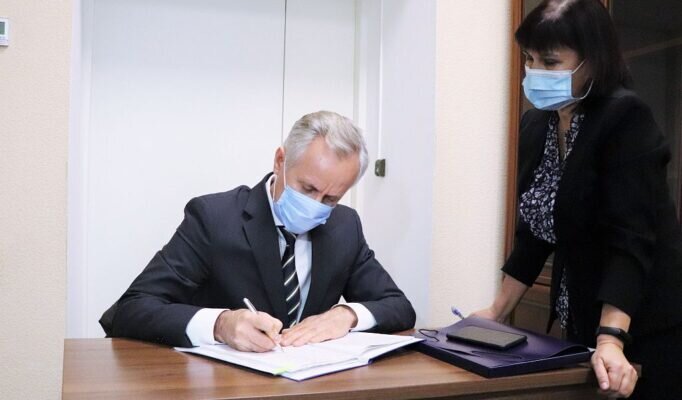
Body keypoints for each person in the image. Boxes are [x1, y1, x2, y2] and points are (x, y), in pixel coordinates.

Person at [472, 1, 682, 398]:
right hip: (584, 314)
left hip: (641, 322)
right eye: (529, 59)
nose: (535, 72)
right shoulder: (538, 123)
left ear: (593, 61)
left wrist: (611, 338)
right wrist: (496, 311)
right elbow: (535, 233)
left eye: (550, 62)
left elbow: (630, 240)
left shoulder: (625, 117)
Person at [100, 110, 416, 352]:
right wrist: (220, 324)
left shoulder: (345, 226)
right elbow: (131, 309)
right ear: (280, 161)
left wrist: (347, 315)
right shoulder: (214, 218)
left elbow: (398, 306)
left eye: (331, 198)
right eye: (307, 188)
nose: (315, 205)